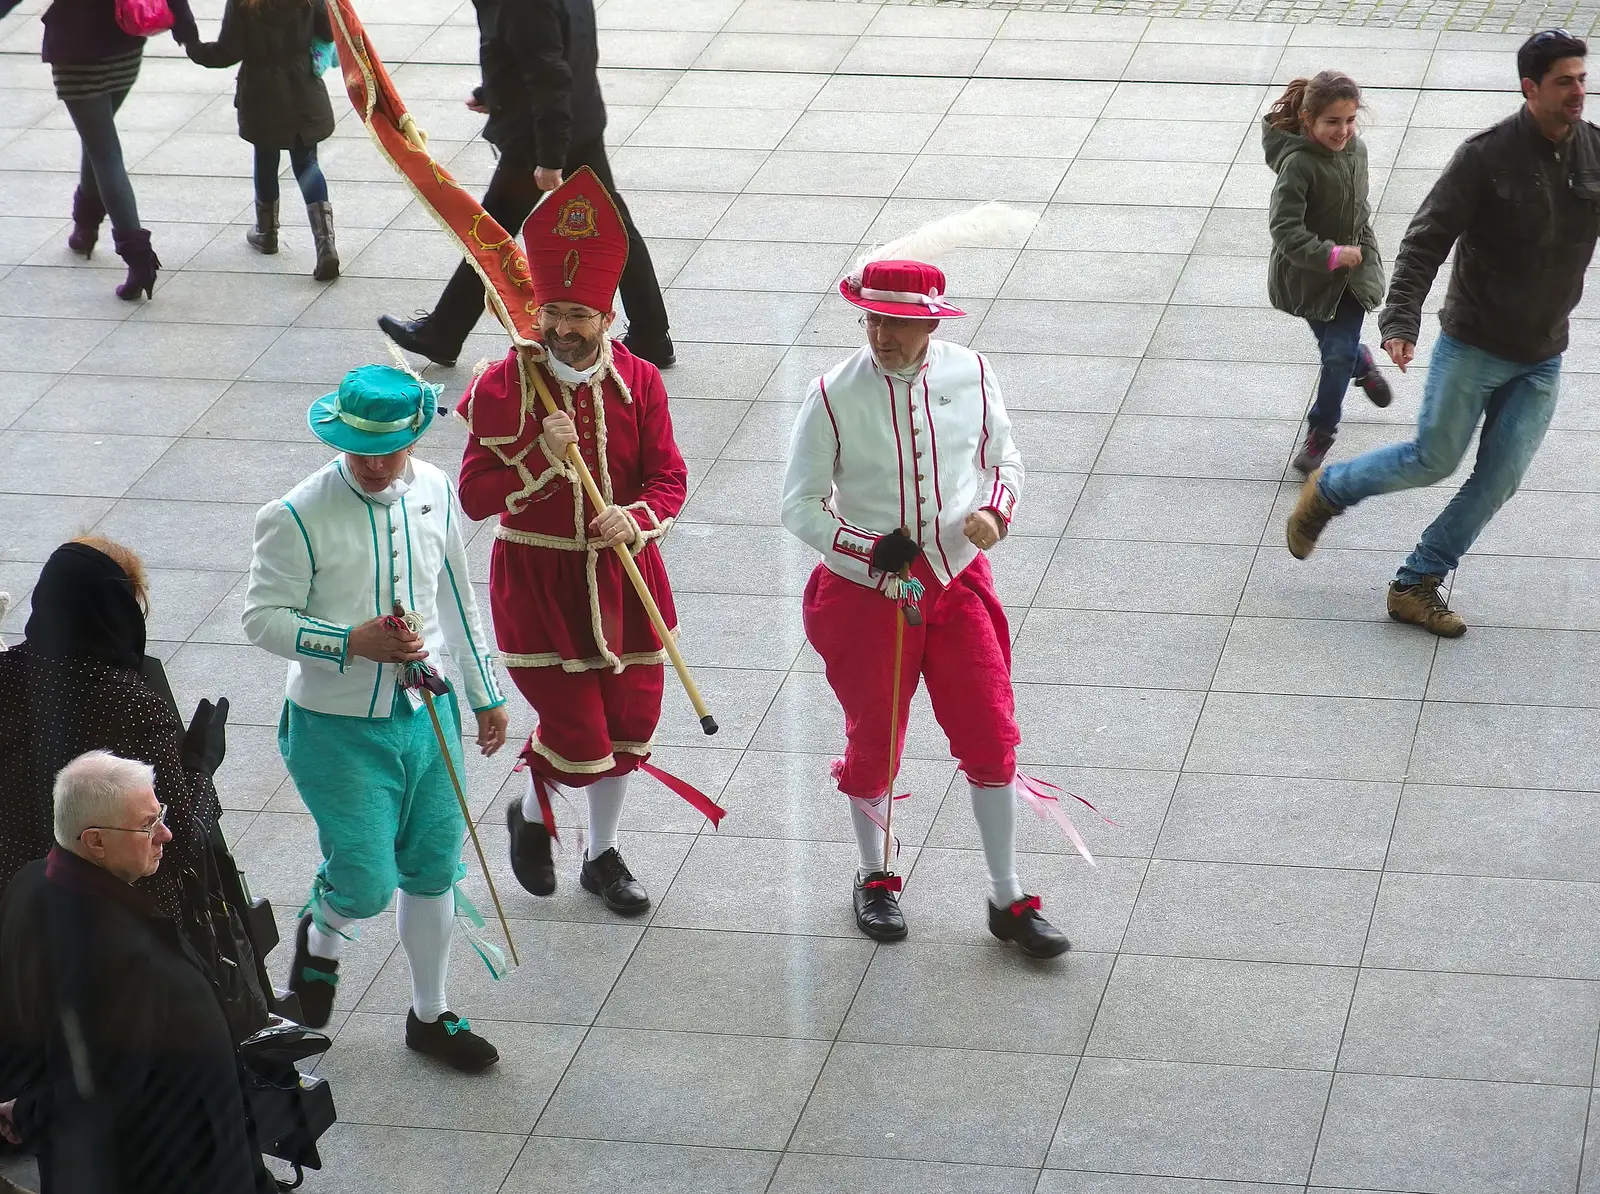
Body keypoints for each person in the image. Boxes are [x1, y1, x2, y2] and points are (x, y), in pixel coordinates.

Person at [779, 252, 1070, 959]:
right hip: (868, 596)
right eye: (875, 320)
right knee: (873, 740)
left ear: (932, 323)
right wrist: (865, 547)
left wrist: (996, 515)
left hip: (957, 581)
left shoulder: (971, 372)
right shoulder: (830, 393)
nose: (884, 336)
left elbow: (1005, 461)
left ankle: (1007, 895)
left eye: (901, 324)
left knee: (992, 734)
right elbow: (799, 506)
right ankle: (876, 877)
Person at [1287, 30, 1598, 637]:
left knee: (1499, 480)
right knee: (1434, 459)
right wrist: (1400, 320)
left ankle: (1416, 583)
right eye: (1565, 80)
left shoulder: (1593, 152)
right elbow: (1426, 239)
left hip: (1542, 354)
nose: (1578, 91)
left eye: (1582, 78)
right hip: (1475, 343)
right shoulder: (1486, 157)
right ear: (1530, 88)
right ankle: (1332, 489)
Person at [242, 363, 509, 1071]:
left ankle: (431, 1014)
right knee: (364, 881)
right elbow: (261, 620)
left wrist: (485, 692)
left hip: (429, 715)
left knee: (432, 868)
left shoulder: (436, 489)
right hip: (335, 727)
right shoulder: (294, 514)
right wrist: (347, 642)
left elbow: (456, 593)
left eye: (387, 448)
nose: (371, 462)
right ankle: (322, 927)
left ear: (415, 438)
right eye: (359, 446)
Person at [455, 168, 688, 914]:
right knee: (579, 733)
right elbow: (474, 494)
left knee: (628, 726)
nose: (561, 328)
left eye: (578, 315)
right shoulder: (501, 385)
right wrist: (537, 459)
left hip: (627, 575)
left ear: (608, 314)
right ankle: (531, 805)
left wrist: (637, 518)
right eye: (551, 311)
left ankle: (602, 854)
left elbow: (669, 478)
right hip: (539, 581)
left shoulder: (642, 381)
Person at [0, 751, 269, 1194]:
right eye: (147, 824)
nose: (165, 832)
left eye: (158, 813)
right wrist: (28, 1111)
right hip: (175, 1166)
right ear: (96, 843)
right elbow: (105, 1082)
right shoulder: (119, 954)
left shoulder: (30, 883)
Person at [378, 0, 675, 370]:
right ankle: (651, 335)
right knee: (614, 225)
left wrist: (550, 157)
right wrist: (494, 92)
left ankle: (443, 332)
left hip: (540, 136)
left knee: (491, 230)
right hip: (573, 121)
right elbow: (554, 45)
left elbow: (549, 70)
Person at [0, 539, 219, 920]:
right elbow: (177, 837)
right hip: (117, 923)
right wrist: (201, 769)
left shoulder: (5, 674)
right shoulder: (132, 706)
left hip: (19, 912)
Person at [1264, 70, 1393, 473]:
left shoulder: (1359, 150)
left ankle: (1322, 430)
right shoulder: (1299, 165)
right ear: (1309, 121)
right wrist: (1331, 254)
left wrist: (1361, 252)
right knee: (1339, 351)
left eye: (1350, 120)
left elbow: (1359, 208)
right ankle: (1362, 362)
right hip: (1311, 278)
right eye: (1332, 122)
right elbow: (1284, 228)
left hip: (1353, 275)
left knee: (1334, 354)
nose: (1343, 131)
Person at [40, 0, 198, 299]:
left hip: (77, 52)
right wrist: (185, 26)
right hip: (126, 41)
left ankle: (139, 260)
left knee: (104, 151)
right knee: (98, 138)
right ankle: (85, 227)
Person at [185, 0, 340, 281]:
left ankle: (266, 233)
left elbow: (227, 52)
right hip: (303, 87)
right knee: (307, 163)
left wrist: (194, 48)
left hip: (262, 93)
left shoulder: (244, 3)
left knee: (266, 158)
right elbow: (330, 33)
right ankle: (325, 244)